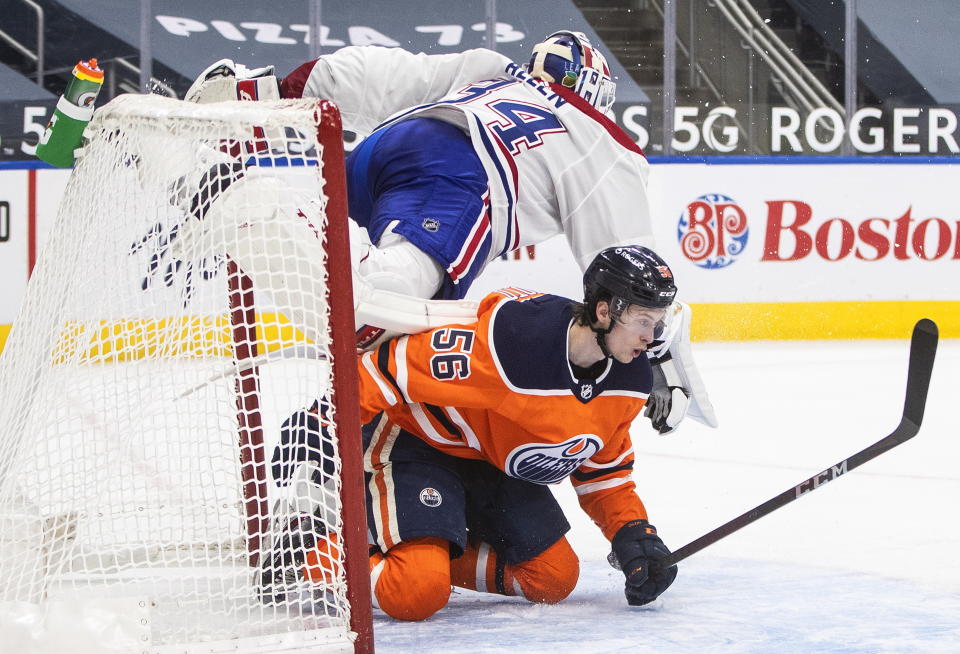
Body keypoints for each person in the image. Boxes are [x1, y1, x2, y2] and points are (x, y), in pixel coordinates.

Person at [185, 30, 717, 434]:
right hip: (459, 174)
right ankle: (239, 197)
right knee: (377, 314)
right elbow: (629, 273)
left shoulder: (493, 71)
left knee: (373, 323)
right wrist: (663, 361)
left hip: (384, 151)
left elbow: (378, 76)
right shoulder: (601, 141)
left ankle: (226, 198)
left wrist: (267, 90)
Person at [268, 245, 680, 620]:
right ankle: (311, 551)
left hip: (489, 460)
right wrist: (324, 420)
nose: (651, 337)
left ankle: (422, 543)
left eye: (657, 322)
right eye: (642, 320)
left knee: (553, 579)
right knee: (414, 594)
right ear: (605, 311)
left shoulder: (629, 379)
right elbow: (392, 366)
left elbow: (603, 471)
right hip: (419, 442)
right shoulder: (516, 342)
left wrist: (632, 535)